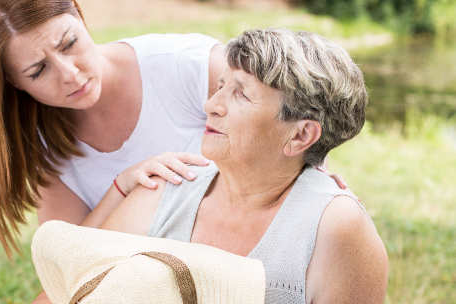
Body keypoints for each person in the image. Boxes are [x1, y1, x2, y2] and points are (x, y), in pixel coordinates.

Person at [0, 1, 352, 302]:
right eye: (38, 71)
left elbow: (291, 116)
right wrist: (121, 187)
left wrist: (316, 186)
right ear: (10, 84)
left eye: (70, 43)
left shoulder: (185, 67)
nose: (70, 74)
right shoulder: (40, 144)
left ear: (79, 14)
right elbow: (69, 268)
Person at [101, 28, 388, 303]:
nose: (211, 105)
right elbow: (76, 286)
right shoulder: (161, 191)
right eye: (221, 86)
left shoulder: (336, 228)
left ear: (300, 135)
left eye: (241, 94)